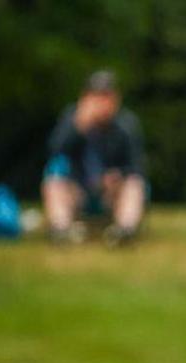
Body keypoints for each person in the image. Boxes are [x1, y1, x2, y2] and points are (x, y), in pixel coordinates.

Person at [42, 70, 147, 246]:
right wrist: (79, 126)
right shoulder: (71, 119)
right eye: (97, 97)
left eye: (107, 97)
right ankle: (61, 229)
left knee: (134, 183)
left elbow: (137, 166)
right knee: (54, 175)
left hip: (110, 193)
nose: (102, 103)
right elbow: (54, 152)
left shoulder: (126, 124)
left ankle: (125, 230)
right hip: (79, 189)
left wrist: (117, 175)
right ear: (85, 98)